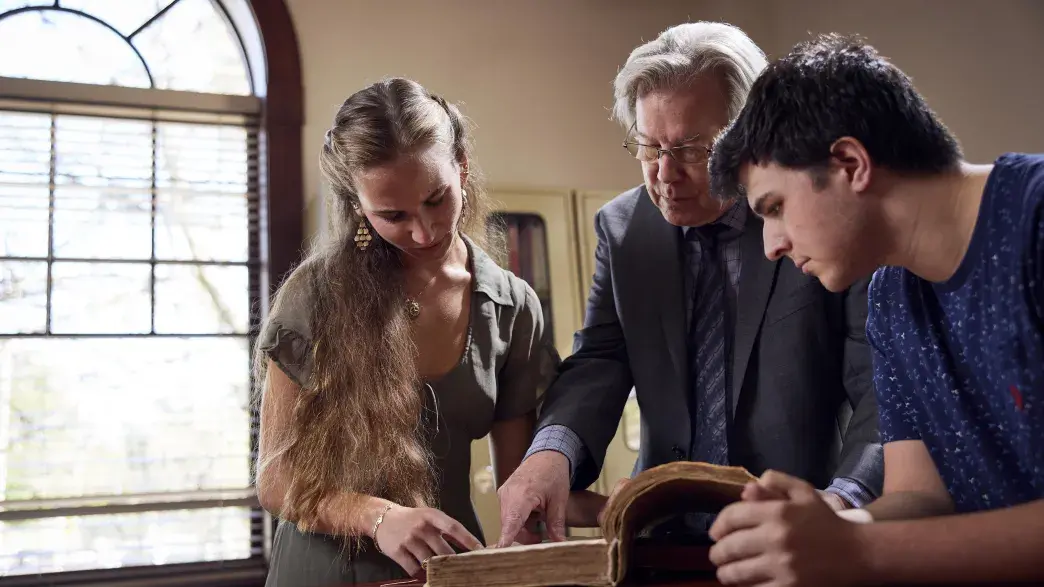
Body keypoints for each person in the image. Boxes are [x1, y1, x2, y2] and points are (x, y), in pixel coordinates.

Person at [496, 22, 883, 547]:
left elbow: (879, 385)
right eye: (649, 146)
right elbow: (601, 359)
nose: (664, 174)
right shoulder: (622, 227)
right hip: (661, 533)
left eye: (691, 150)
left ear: (748, 135)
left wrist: (841, 501)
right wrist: (551, 453)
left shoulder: (809, 214)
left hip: (799, 526)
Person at [706, 33, 1044, 586]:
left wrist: (858, 548)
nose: (772, 245)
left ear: (850, 162)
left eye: (776, 207)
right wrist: (827, 526)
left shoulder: (1034, 220)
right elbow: (920, 496)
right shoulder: (890, 297)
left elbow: (877, 548)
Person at [253, 77, 559, 586]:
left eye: (437, 199)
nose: (424, 232)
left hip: (445, 573)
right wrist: (378, 518)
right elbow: (275, 480)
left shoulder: (511, 306)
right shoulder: (315, 296)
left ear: (461, 167)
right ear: (358, 206)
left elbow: (518, 491)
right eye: (392, 216)